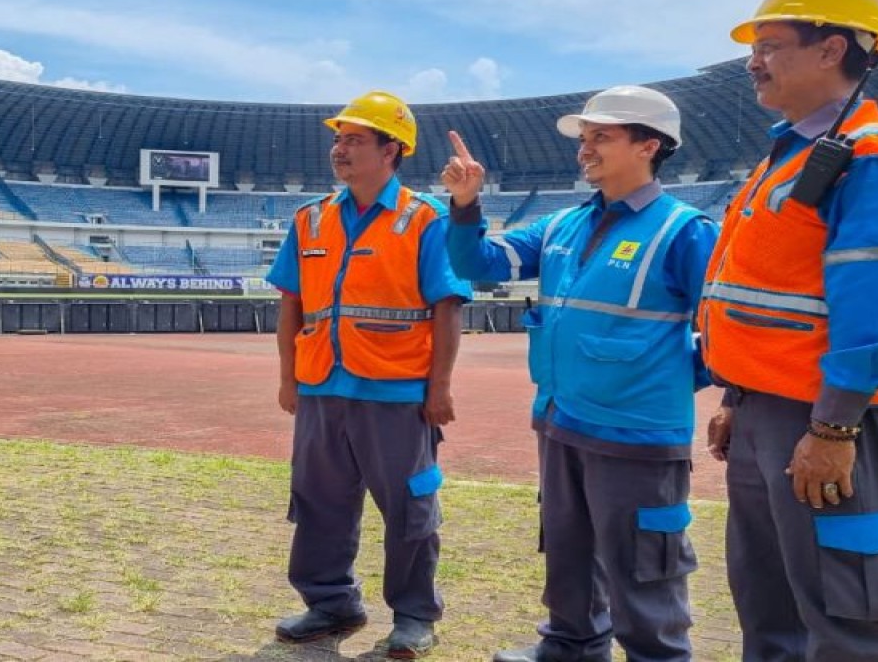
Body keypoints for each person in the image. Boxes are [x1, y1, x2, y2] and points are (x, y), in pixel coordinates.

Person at [700, 0, 878, 662]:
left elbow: (875, 306)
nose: (753, 62)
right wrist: (737, 398)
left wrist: (834, 426)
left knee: (855, 621)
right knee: (769, 607)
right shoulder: (789, 155)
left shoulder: (875, 156)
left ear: (832, 49)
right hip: (765, 414)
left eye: (770, 45)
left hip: (830, 420)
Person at [442, 85, 718, 662]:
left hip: (637, 432)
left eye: (601, 137)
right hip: (560, 419)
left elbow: (724, 328)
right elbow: (477, 263)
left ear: (649, 145)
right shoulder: (561, 225)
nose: (584, 149)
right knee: (568, 547)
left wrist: (665, 377)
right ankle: (572, 644)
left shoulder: (685, 230)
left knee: (644, 564)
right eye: (584, 138)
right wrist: (465, 206)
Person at [266, 90, 471, 659]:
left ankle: (414, 615)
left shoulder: (424, 219)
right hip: (321, 387)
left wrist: (439, 388)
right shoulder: (309, 219)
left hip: (397, 391)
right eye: (338, 139)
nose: (340, 149)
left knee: (409, 508)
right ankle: (331, 603)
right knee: (318, 502)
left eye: (354, 139)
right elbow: (291, 304)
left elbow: (447, 307)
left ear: (391, 150)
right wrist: (288, 378)